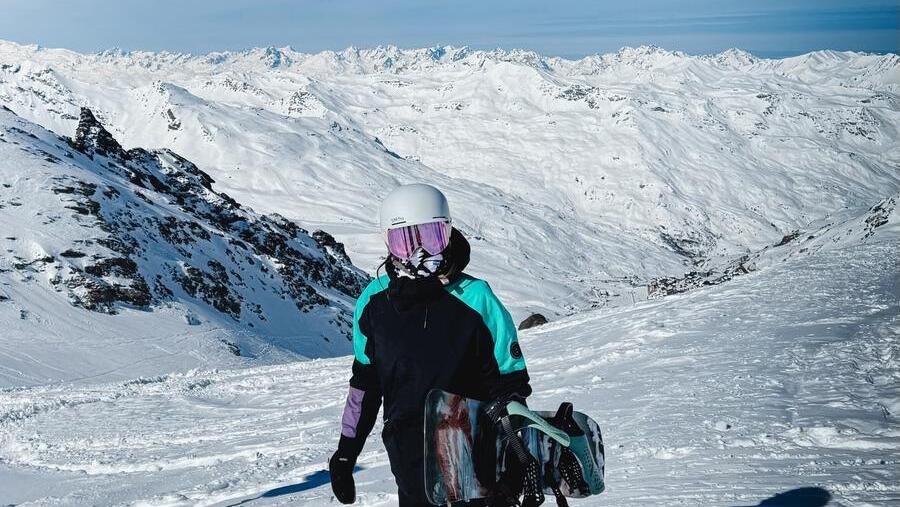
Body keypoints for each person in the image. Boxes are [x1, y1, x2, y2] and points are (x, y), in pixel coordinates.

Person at [329, 183, 532, 506]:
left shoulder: (478, 300)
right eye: (406, 240)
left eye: (431, 237)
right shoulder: (373, 303)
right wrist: (345, 453)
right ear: (388, 242)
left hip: (476, 468)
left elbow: (510, 387)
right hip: (412, 466)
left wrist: (519, 451)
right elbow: (365, 388)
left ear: (448, 234)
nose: (420, 252)